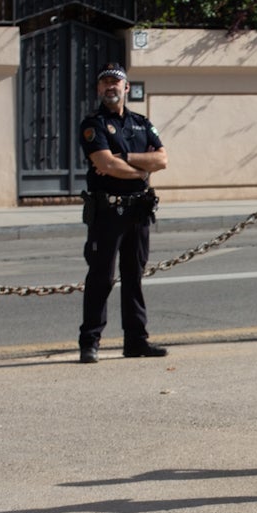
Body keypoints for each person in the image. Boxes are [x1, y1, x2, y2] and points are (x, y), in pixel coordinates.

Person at [77, 62, 169, 364]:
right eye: (104, 83)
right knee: (101, 278)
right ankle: (90, 342)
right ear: (98, 89)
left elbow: (162, 159)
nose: (110, 87)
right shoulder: (94, 124)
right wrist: (140, 172)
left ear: (126, 88)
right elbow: (105, 164)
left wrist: (127, 158)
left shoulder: (141, 123)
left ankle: (136, 341)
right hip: (108, 212)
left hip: (138, 211)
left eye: (115, 83)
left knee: (134, 277)